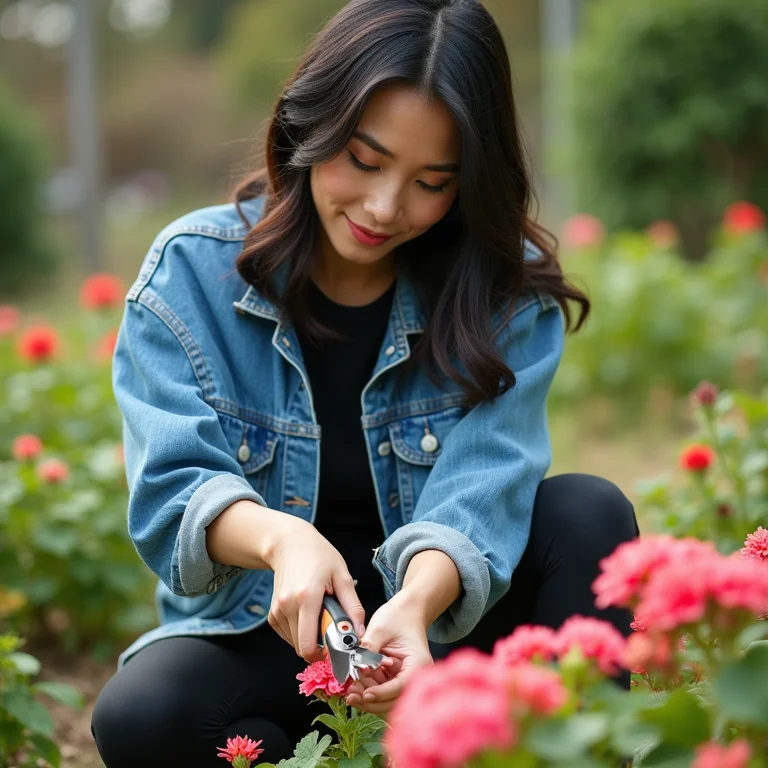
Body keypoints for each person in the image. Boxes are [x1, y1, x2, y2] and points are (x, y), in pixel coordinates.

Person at [91, 1, 639, 765]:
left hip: (441, 631)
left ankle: (565, 748)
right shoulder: (190, 272)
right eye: (364, 159)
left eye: (431, 181)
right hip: (270, 633)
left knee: (587, 512)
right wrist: (283, 541)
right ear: (309, 125)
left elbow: (487, 480)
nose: (385, 208)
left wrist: (414, 605)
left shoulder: (503, 292)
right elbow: (173, 493)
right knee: (144, 716)